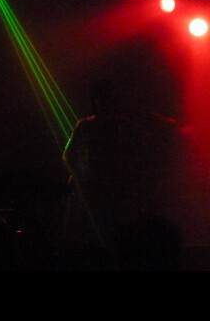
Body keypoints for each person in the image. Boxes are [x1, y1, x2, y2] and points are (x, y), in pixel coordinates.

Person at [61, 78, 183, 269]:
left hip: (113, 190)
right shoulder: (86, 125)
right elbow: (69, 156)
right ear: (97, 101)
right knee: (94, 236)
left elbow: (133, 156)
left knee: (108, 235)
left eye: (112, 99)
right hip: (95, 191)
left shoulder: (119, 125)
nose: (109, 103)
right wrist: (81, 178)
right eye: (106, 99)